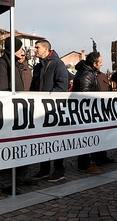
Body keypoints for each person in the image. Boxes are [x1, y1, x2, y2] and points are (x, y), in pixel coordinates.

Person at [0, 37, 34, 194]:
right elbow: (2, 89)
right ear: (13, 49)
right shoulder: (3, 65)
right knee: (10, 147)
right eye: (19, 48)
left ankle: (22, 176)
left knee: (24, 145)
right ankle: (6, 182)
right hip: (10, 113)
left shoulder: (16, 65)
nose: (22, 51)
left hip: (21, 111)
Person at [30, 40, 69, 182]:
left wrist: (47, 100)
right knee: (43, 140)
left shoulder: (58, 64)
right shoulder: (38, 66)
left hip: (53, 109)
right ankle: (44, 169)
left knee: (56, 140)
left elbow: (62, 85)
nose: (34, 50)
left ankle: (59, 170)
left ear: (46, 49)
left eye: (37, 47)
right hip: (40, 110)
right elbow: (34, 87)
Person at [72, 52, 102, 174]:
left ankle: (87, 162)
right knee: (86, 137)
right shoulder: (87, 75)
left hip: (88, 112)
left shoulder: (87, 73)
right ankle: (85, 164)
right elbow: (84, 97)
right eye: (100, 62)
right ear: (94, 64)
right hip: (86, 113)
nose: (102, 64)